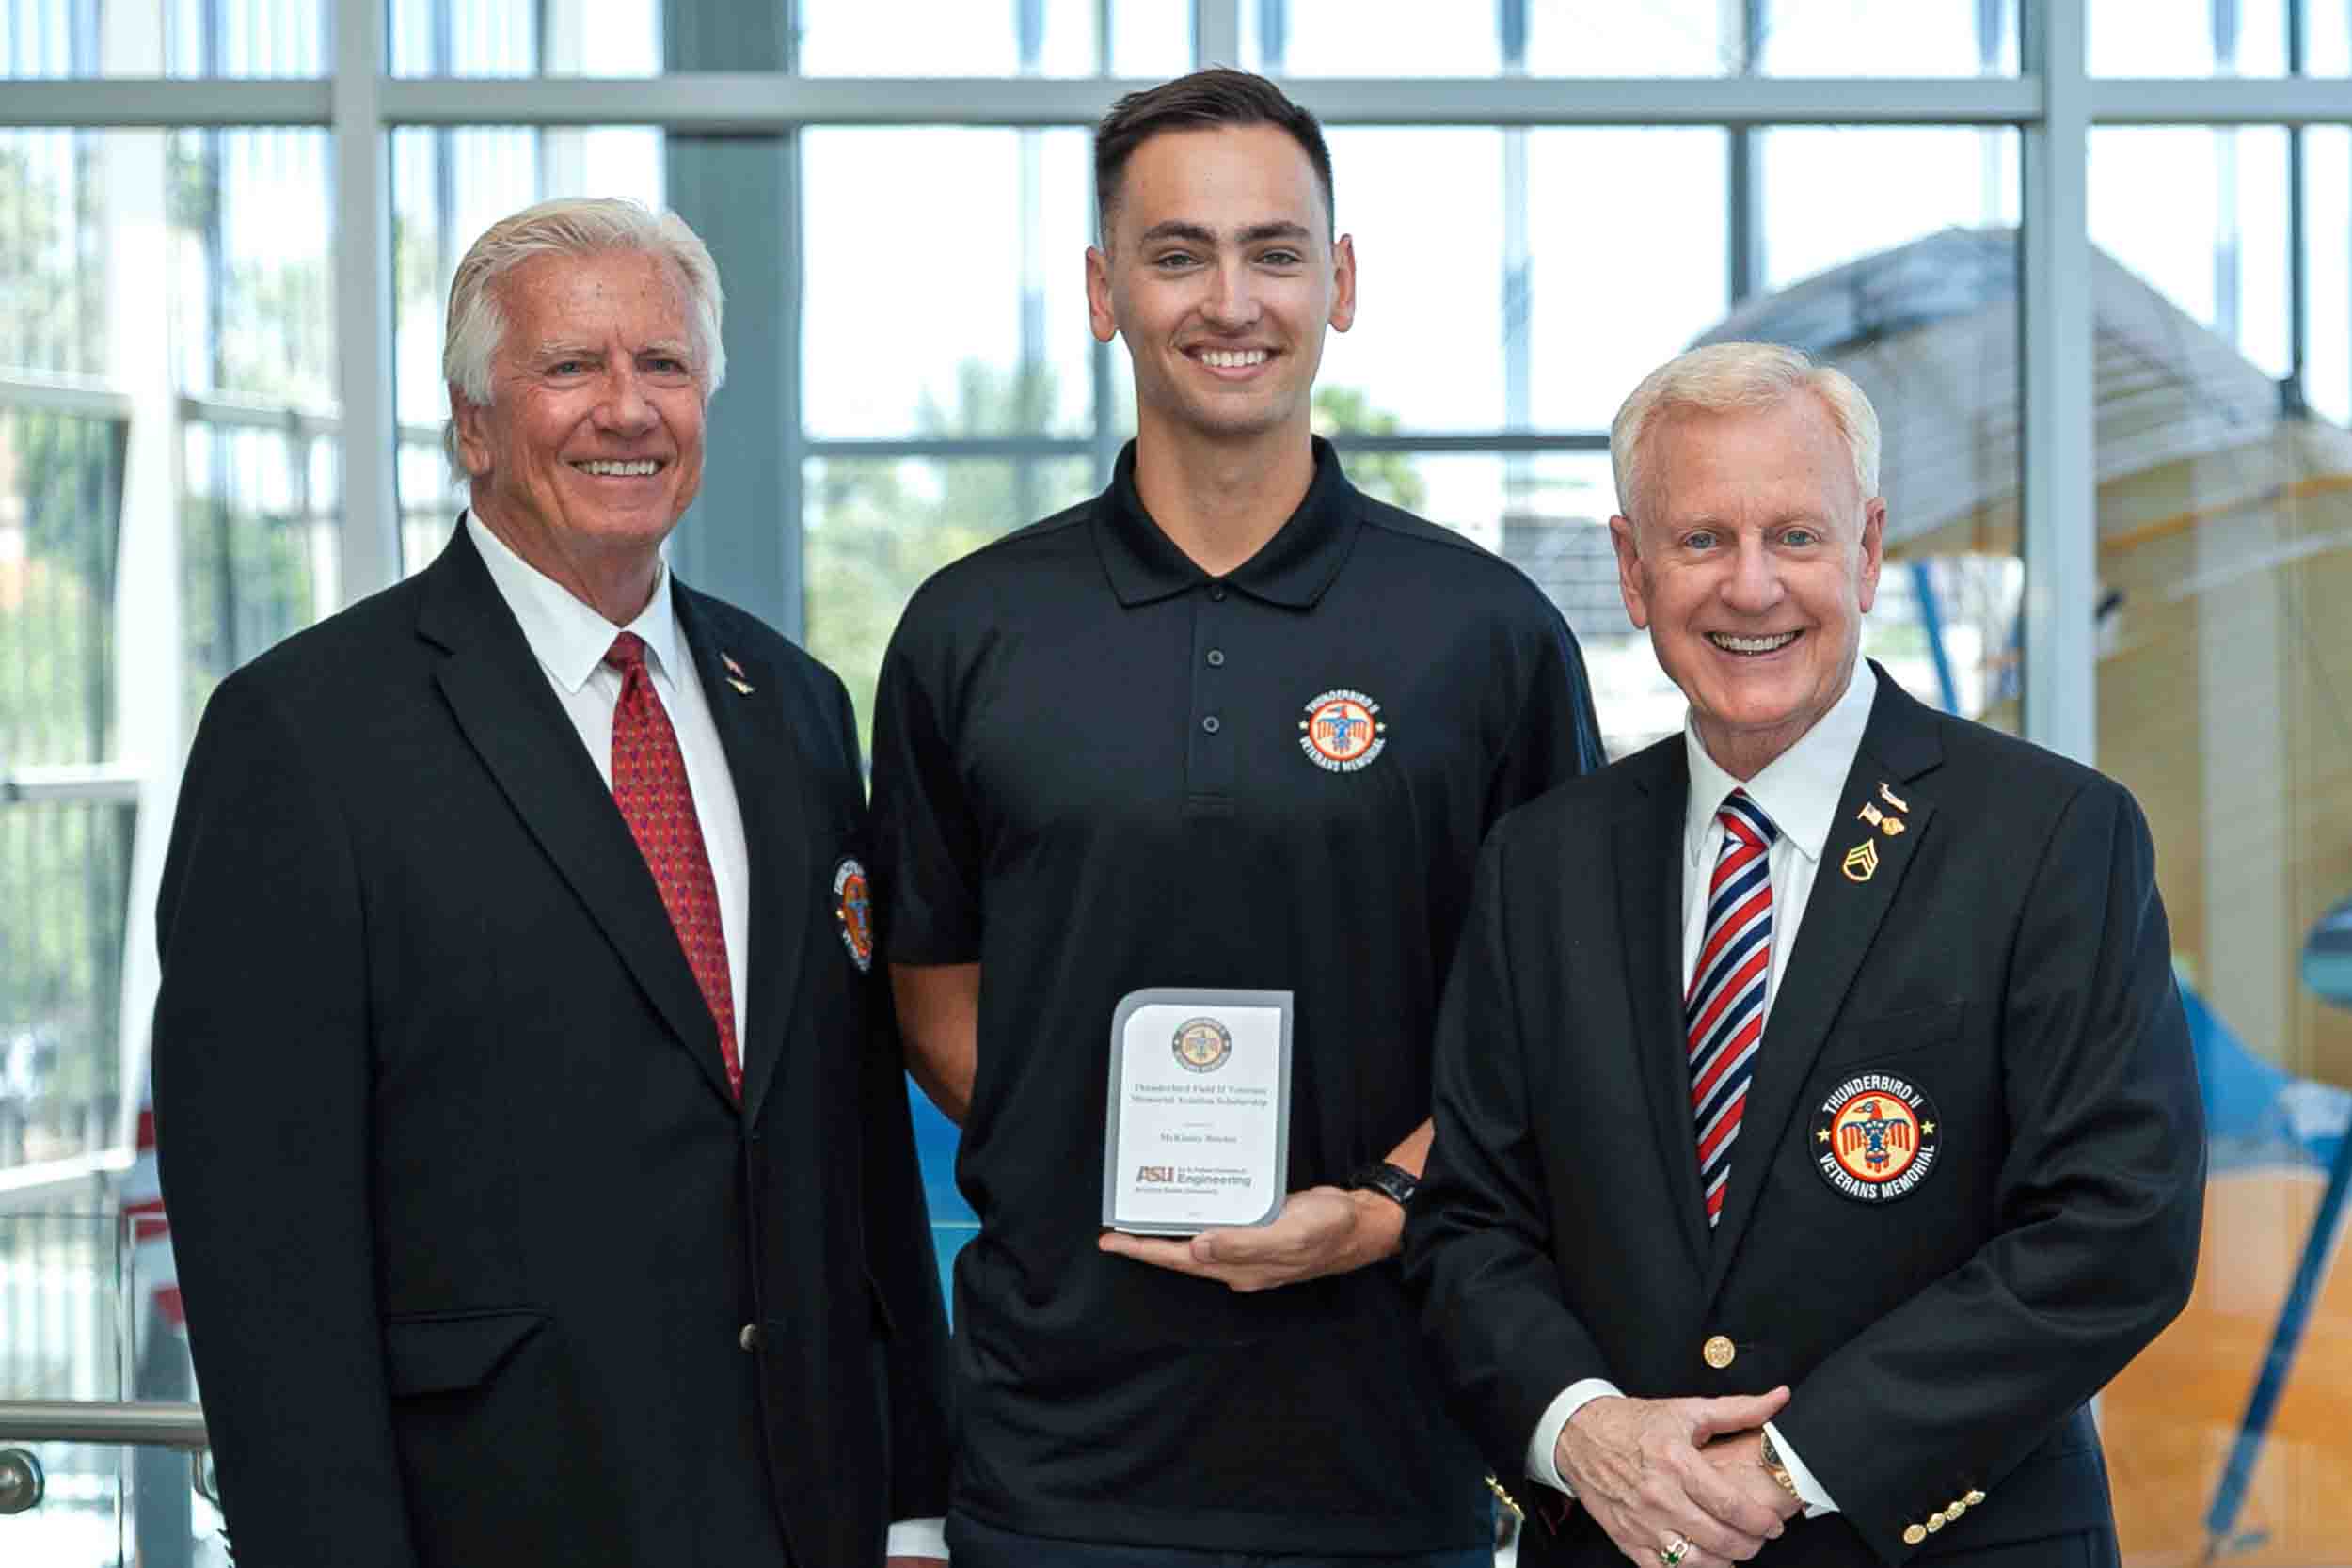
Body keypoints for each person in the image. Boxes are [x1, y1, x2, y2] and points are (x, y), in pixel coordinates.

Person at [868, 68, 1604, 1566]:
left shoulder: (1485, 633)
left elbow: (1561, 1017)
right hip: (1058, 1453)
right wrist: (1087, 1141)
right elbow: (931, 982)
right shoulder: (969, 630)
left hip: (1390, 1447)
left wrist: (1388, 1204)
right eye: (1176, 253)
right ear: (1101, 290)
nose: (1231, 300)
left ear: (1340, 283)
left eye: (1275, 252)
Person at [151, 198, 951, 1568]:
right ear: (472, 421)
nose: (626, 410)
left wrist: (913, 1505)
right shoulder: (306, 736)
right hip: (498, 1521)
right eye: (570, 368)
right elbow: (267, 1261)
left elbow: (854, 1149)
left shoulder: (800, 709)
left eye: (666, 365)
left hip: (809, 1516)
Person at [1403, 341, 2207, 1568]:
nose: (1751, 587)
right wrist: (1590, 1434)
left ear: (1869, 549)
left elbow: (2115, 1228)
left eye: (1796, 537)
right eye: (1702, 540)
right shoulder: (1539, 863)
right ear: (1631, 568)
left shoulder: (2051, 836)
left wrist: (1793, 1464)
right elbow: (1470, 1229)